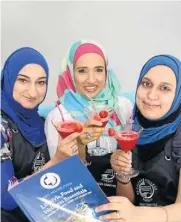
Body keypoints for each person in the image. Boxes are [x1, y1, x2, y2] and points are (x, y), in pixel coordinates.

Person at [86, 54, 181, 222]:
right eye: (146, 84)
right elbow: (131, 201)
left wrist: (136, 215)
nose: (151, 95)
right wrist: (123, 177)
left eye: (164, 88)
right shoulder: (132, 128)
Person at [1, 47, 81, 222]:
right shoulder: (1, 126)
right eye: (23, 80)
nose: (33, 92)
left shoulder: (47, 123)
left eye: (41, 82)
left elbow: (64, 181)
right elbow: (6, 196)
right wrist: (55, 161)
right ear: (8, 79)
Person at [45, 39, 133, 197]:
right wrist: (79, 143)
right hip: (80, 203)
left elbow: (129, 165)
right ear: (70, 74)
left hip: (121, 200)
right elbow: (63, 181)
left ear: (107, 71)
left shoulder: (123, 107)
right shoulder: (59, 117)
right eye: (82, 71)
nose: (91, 80)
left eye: (99, 70)